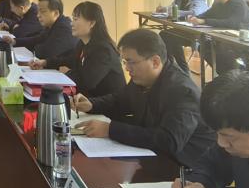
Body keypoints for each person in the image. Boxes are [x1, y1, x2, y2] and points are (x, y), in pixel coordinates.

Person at [73, 28, 214, 167]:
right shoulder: (143, 78)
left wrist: (110, 130)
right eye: (124, 62)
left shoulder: (182, 91)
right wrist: (92, 104)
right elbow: (120, 100)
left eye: (131, 62)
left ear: (155, 62)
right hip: (151, 154)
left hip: (184, 166)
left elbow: (169, 140)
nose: (127, 68)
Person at [163, 0, 249, 74]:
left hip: (242, 38)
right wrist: (195, 18)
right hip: (222, 35)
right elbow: (207, 14)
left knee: (220, 49)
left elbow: (232, 23)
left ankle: (233, 73)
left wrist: (204, 21)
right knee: (204, 47)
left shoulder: (238, 3)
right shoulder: (217, 3)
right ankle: (225, 74)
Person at [36, 2, 125, 98]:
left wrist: (65, 74)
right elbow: (70, 60)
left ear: (91, 23)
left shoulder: (103, 50)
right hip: (88, 99)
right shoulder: (83, 43)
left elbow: (87, 82)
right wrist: (45, 62)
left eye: (75, 19)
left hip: (105, 104)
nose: (71, 23)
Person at [7, 0, 78, 65]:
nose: (38, 15)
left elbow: (46, 54)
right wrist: (15, 41)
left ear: (56, 13)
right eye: (38, 11)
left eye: (42, 11)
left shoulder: (64, 28)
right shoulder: (51, 25)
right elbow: (37, 39)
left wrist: (37, 47)